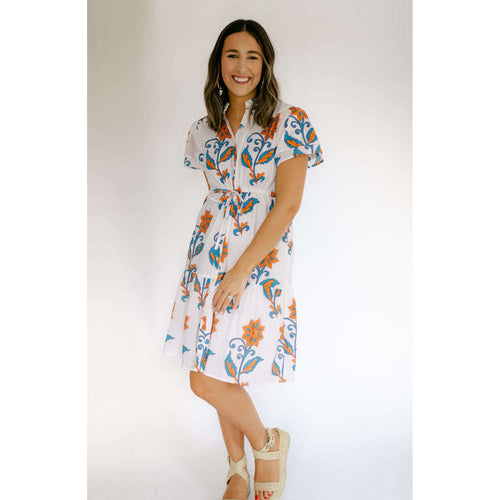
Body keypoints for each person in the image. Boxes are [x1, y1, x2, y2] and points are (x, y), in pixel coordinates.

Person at [162, 19, 324, 500]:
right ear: (218, 63)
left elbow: (287, 205)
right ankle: (238, 470)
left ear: (265, 64)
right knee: (212, 367)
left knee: (208, 378)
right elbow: (218, 200)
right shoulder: (203, 130)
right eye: (232, 55)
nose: (242, 66)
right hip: (206, 259)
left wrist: (239, 271)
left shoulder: (289, 121)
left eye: (253, 56)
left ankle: (267, 446)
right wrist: (214, 265)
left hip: (257, 263)